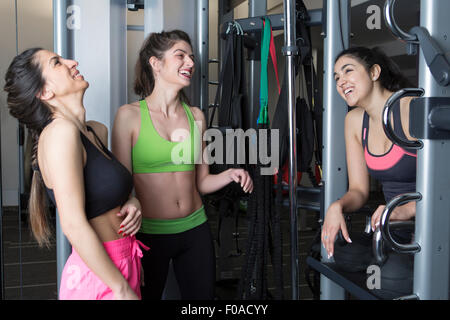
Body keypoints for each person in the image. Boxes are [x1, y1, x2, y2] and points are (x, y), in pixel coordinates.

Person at [112, 30, 253, 300]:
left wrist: (230, 174)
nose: (190, 62)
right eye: (180, 56)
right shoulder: (128, 116)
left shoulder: (196, 116)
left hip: (194, 230)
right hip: (148, 234)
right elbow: (121, 187)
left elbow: (202, 181)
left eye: (191, 57)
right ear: (156, 63)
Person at [4, 48, 147, 300]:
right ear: (45, 92)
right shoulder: (60, 134)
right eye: (57, 63)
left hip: (124, 262)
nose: (72, 62)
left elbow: (105, 191)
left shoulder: (95, 131)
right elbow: (72, 224)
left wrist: (131, 201)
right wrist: (121, 289)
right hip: (100, 277)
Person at [321, 47, 417, 259]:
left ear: (374, 72)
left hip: (431, 227)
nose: (341, 81)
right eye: (337, 77)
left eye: (348, 71)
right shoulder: (355, 121)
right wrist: (338, 205)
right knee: (344, 255)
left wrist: (408, 209)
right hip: (393, 230)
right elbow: (359, 190)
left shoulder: (412, 109)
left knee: (390, 280)